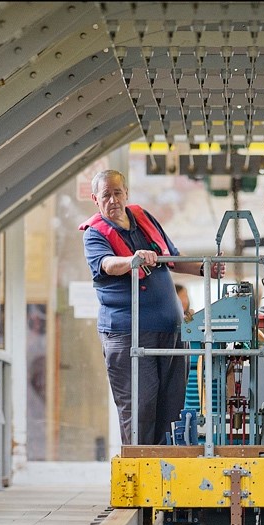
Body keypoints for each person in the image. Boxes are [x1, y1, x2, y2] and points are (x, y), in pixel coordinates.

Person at [82, 169, 221, 446]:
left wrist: (205, 269)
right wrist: (132, 260)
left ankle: (166, 468)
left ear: (126, 193)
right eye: (106, 195)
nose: (113, 200)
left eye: (117, 193)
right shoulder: (95, 234)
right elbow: (106, 264)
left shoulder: (143, 218)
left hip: (171, 331)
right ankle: (141, 468)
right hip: (129, 335)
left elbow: (172, 257)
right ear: (95, 199)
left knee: (172, 408)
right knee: (140, 409)